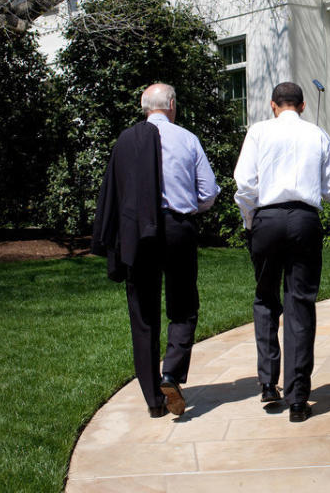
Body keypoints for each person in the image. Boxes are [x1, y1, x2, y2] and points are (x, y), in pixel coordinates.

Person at [92, 83, 220, 418]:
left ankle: (153, 400)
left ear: (142, 106)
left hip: (138, 234)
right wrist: (189, 206)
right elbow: (208, 192)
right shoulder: (187, 139)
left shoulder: (125, 141)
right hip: (178, 228)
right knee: (183, 306)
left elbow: (114, 194)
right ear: (173, 105)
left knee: (143, 314)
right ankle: (171, 373)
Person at [234, 81, 330, 422]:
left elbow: (244, 186)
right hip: (305, 220)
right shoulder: (317, 134)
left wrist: (252, 221)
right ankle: (298, 399)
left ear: (272, 104)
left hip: (267, 218)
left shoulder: (258, 132)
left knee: (266, 297)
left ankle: (269, 383)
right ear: (303, 105)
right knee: (300, 303)